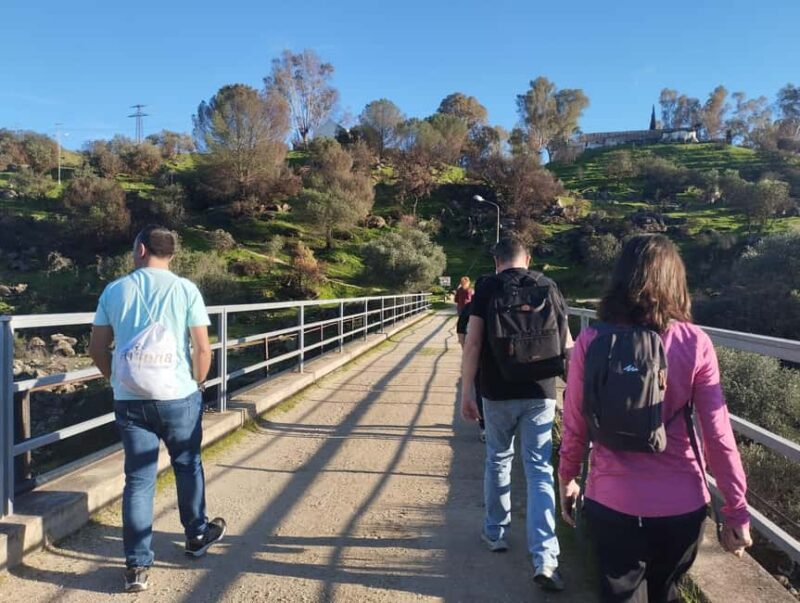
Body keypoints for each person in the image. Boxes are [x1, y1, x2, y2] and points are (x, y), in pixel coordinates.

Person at [559, 234, 752, 603]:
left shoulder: (592, 339)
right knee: (668, 593)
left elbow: (576, 422)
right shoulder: (695, 342)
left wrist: (567, 477)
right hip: (681, 504)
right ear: (675, 281)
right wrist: (736, 509)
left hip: (611, 500)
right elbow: (718, 434)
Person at [89, 225, 227, 593]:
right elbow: (202, 350)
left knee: (138, 479)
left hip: (130, 399)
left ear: (141, 250)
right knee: (187, 464)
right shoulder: (186, 290)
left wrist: (115, 380)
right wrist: (197, 384)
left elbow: (97, 349)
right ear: (172, 254)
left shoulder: (115, 290)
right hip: (178, 395)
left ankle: (137, 566)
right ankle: (197, 535)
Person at [460, 236, 572, 592]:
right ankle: (546, 557)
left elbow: (473, 342)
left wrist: (468, 391)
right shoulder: (548, 285)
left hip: (496, 391)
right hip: (541, 392)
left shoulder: (487, 287)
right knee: (539, 470)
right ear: (528, 258)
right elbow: (567, 343)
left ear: (497, 261)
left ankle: (495, 533)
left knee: (498, 459)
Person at [456, 298, 484, 441]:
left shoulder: (470, 307)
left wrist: (466, 354)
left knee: (480, 390)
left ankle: (484, 427)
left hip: (479, 358)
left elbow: (461, 332)